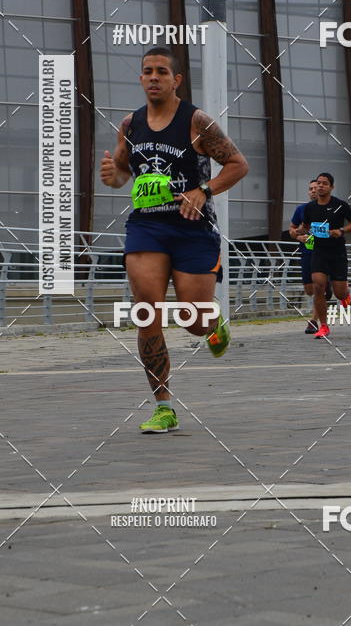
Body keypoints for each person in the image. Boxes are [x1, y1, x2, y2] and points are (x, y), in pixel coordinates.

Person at [100, 46, 248, 432]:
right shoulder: (130, 124)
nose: (153, 77)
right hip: (147, 226)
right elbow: (122, 172)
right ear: (140, 78)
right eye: (147, 71)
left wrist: (205, 191)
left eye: (161, 71)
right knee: (146, 310)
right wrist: (112, 176)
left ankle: (213, 321)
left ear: (176, 79)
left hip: (192, 229)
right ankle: (163, 406)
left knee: (191, 320)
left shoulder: (196, 121)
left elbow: (237, 165)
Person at [297, 172, 351, 339]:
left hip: (337, 253)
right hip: (318, 252)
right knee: (319, 286)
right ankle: (323, 326)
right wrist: (296, 233)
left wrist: (341, 231)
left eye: (324, 183)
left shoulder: (340, 205)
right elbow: (305, 226)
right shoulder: (310, 208)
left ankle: (346, 293)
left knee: (339, 293)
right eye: (318, 183)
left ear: (331, 187)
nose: (320, 186)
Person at [289, 179, 333, 334]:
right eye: (311, 189)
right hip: (307, 250)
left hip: (323, 250)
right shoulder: (301, 209)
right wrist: (297, 236)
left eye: (316, 188)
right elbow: (292, 229)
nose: (314, 190)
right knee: (309, 289)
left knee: (317, 287)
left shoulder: (329, 207)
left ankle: (315, 321)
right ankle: (326, 285)